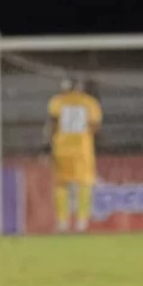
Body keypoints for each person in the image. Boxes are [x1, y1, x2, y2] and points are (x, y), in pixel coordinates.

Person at [44, 77, 103, 232]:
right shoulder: (89, 102)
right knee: (84, 184)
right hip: (82, 149)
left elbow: (52, 125)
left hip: (61, 148)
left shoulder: (57, 101)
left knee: (61, 184)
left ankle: (62, 222)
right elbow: (96, 126)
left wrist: (46, 147)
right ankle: (81, 222)